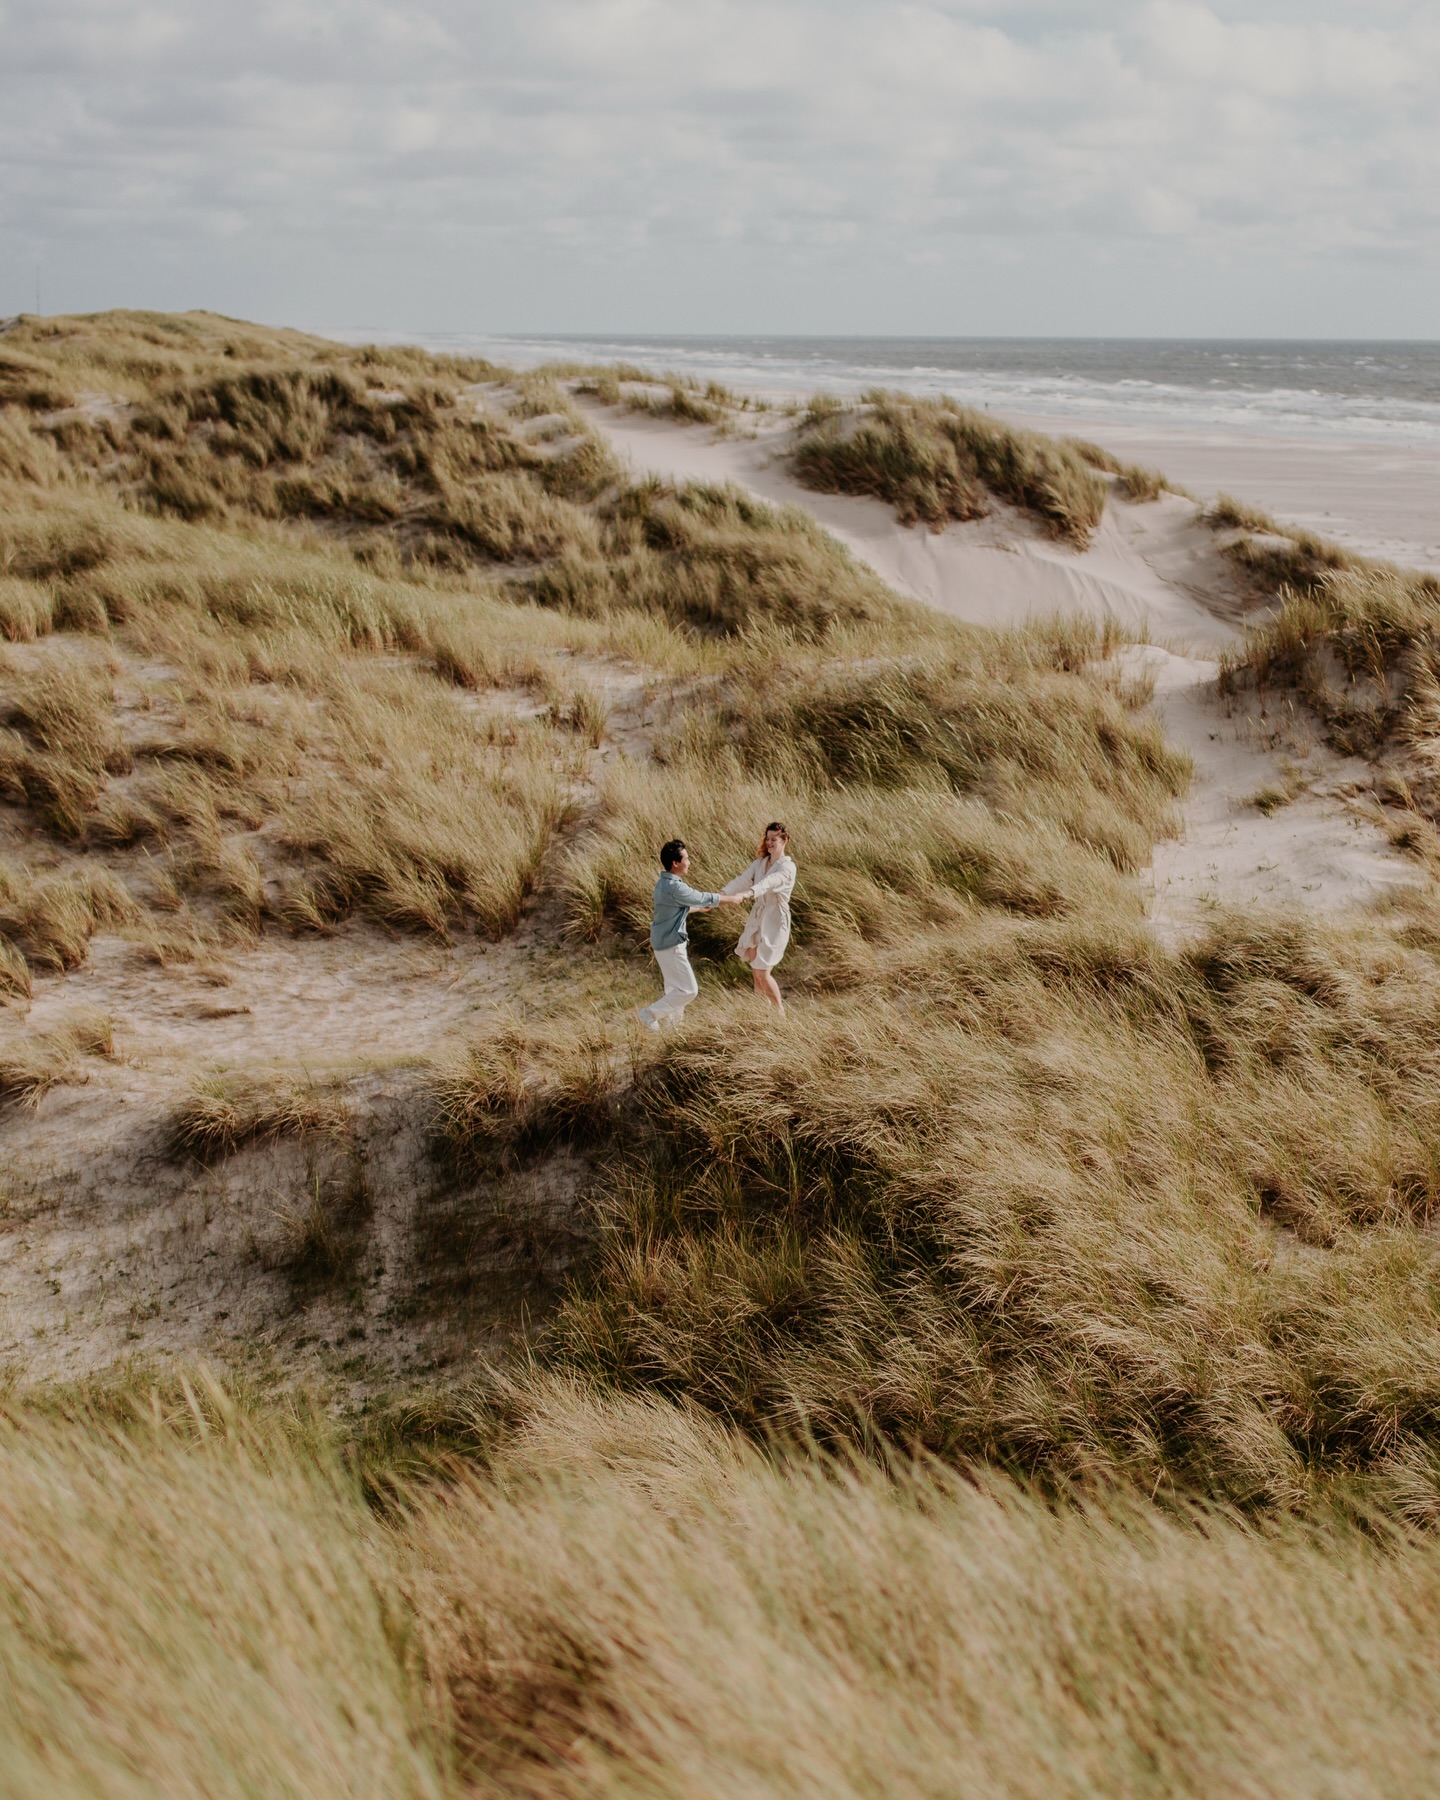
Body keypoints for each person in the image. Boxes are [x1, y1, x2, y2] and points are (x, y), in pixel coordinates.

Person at [635, 838, 742, 1031]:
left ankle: (672, 1032)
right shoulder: (676, 886)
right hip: (671, 945)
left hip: (661, 943)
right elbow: (702, 897)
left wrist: (695, 909)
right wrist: (732, 899)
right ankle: (650, 1013)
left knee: (674, 990)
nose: (689, 862)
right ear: (675, 863)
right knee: (689, 990)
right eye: (687, 858)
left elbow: (670, 910)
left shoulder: (662, 883)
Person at [720, 822, 796, 1015]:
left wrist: (747, 894)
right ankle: (761, 1016)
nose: (769, 843)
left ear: (784, 840)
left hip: (775, 919)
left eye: (774, 839)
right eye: (767, 839)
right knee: (756, 973)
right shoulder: (760, 863)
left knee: (763, 971)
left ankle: (780, 1015)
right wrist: (721, 894)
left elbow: (770, 883)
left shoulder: (787, 866)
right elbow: (742, 880)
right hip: (758, 916)